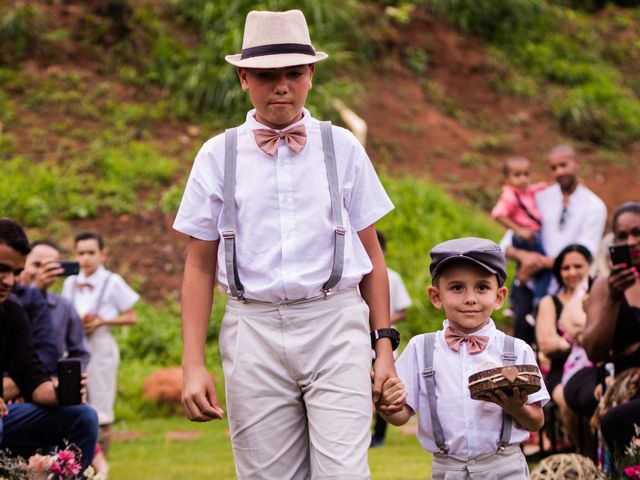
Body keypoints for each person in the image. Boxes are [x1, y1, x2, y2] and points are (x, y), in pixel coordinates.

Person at [173, 9, 397, 479]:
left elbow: (371, 254)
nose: (281, 86)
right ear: (243, 78)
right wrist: (192, 364)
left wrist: (383, 347)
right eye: (266, 75)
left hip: (334, 321)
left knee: (344, 473)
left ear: (311, 75)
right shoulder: (219, 154)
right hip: (252, 327)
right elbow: (197, 264)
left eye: (294, 73)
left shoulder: (342, 147)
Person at [378, 237, 549, 479]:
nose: (470, 298)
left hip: (505, 467)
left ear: (499, 296)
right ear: (436, 296)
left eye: (482, 288)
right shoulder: (421, 348)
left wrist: (515, 407)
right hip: (448, 469)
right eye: (457, 288)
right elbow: (400, 414)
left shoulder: (517, 349)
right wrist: (387, 403)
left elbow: (536, 422)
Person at [0, 219, 98, 471]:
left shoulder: (12, 313)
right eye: (2, 269)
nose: (9, 281)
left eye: (16, 272)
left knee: (83, 416)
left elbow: (31, 377)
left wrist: (60, 392)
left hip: (8, 416)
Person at [503, 144, 607, 345]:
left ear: (577, 164)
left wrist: (540, 262)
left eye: (564, 165)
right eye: (554, 168)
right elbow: (509, 238)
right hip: (531, 281)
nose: (559, 172)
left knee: (557, 344)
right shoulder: (540, 197)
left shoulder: (594, 206)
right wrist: (525, 257)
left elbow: (585, 252)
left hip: (567, 288)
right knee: (521, 340)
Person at [61, 231, 139, 462]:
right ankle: (74, 461)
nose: (85, 258)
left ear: (102, 255)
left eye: (91, 253)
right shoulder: (70, 282)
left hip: (101, 345)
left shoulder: (112, 281)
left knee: (101, 402)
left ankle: (100, 464)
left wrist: (103, 321)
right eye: (81, 253)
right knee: (73, 398)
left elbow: (131, 317)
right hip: (74, 345)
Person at [583, 201, 640, 458]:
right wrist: (613, 299)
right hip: (626, 385)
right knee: (615, 421)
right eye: (622, 236)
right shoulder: (604, 286)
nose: (630, 242)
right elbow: (594, 351)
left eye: (637, 233)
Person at [535, 244, 592, 446]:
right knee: (567, 402)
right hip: (562, 370)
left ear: (590, 267)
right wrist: (574, 342)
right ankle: (586, 452)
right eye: (565, 268)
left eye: (578, 266)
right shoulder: (550, 302)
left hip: (597, 365)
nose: (572, 272)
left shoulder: (599, 295)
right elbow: (546, 343)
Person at [20, 240, 90, 370]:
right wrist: (36, 289)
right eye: (37, 265)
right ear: (22, 264)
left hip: (51, 383)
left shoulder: (64, 306)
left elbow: (80, 353)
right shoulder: (9, 300)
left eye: (50, 267)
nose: (42, 271)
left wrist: (68, 377)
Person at [370, 230, 412, 448]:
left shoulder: (392, 277)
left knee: (385, 390)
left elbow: (403, 310)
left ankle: (379, 436)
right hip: (359, 344)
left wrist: (380, 320)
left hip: (384, 344)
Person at [491, 156, 549, 304]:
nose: (523, 179)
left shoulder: (526, 190)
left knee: (525, 266)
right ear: (507, 178)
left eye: (526, 174)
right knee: (544, 264)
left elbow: (538, 187)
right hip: (527, 236)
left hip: (531, 235)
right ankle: (539, 302)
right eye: (517, 175)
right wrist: (519, 230)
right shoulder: (510, 195)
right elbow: (498, 214)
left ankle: (514, 302)